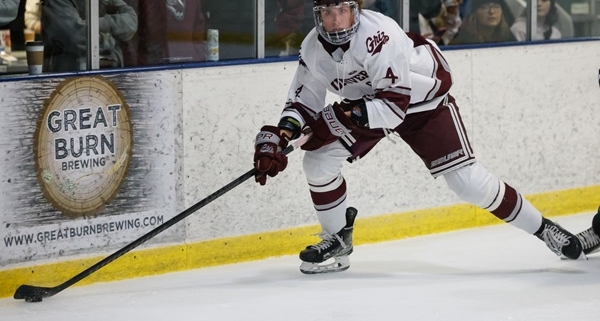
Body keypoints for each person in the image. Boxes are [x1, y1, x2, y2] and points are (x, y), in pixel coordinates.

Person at [251, 0, 585, 274]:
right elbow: (302, 101)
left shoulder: (379, 33)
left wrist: (336, 118)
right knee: (319, 162)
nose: (335, 20)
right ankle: (337, 238)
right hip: (371, 103)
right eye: (326, 11)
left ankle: (544, 229)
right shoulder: (313, 47)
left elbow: (394, 106)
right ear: (316, 14)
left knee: (466, 181)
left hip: (421, 101)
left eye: (342, 9)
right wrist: (280, 137)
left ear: (356, 9)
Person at [41, 0, 137, 72]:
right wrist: (113, 39)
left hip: (110, 74)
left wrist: (97, 24)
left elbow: (131, 23)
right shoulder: (56, 2)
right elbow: (77, 38)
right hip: (70, 78)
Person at [450, 0, 516, 44]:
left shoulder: (507, 37)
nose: (492, 11)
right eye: (484, 7)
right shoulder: (462, 40)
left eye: (496, 6)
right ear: (475, 13)